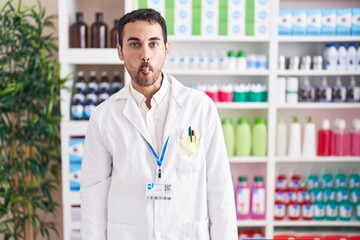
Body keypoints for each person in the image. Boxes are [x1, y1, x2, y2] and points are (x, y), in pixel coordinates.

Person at [80, 8, 237, 240]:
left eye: (153, 44)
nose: (145, 54)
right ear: (120, 51)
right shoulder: (103, 117)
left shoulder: (200, 108)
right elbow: (93, 199)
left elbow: (219, 189)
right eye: (134, 44)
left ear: (166, 49)